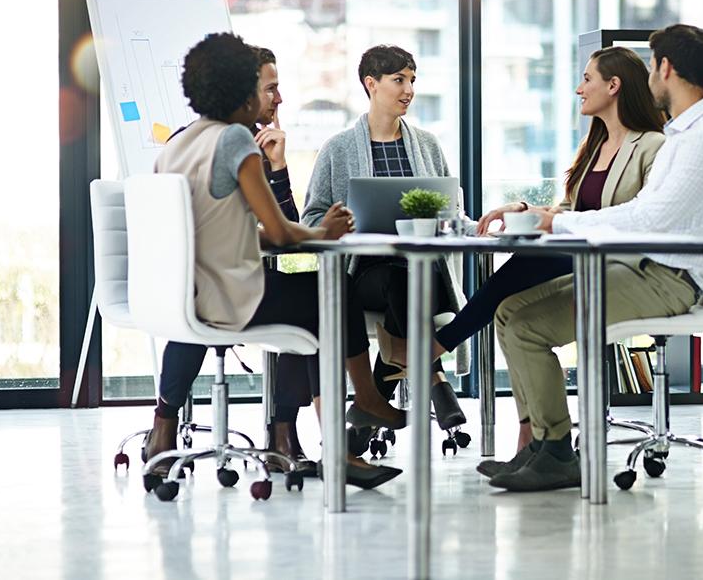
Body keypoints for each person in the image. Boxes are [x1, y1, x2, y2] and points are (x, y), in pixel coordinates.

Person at [486, 24, 703, 492]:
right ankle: (541, 447)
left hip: (667, 279)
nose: (649, 78)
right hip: (639, 267)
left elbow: (650, 218)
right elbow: (641, 211)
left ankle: (558, 453)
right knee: (507, 310)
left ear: (666, 68)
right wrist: (556, 219)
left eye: (651, 67)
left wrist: (559, 224)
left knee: (526, 327)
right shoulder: (683, 135)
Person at [377, 46, 667, 461]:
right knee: (508, 304)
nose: (579, 88)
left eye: (587, 79)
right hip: (579, 253)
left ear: (613, 86)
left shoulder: (651, 146)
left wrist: (559, 222)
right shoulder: (595, 145)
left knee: (520, 271)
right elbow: (568, 211)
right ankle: (528, 432)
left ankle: (432, 351)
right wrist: (522, 209)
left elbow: (640, 216)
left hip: (616, 263)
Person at [144, 32, 406, 490]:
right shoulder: (235, 141)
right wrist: (323, 232)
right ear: (243, 91)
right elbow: (283, 232)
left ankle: (333, 437)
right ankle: (357, 411)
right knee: (333, 293)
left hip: (185, 295)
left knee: (317, 302)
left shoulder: (178, 146)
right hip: (230, 297)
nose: (278, 99)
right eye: (269, 89)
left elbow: (231, 229)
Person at [302, 44, 467, 432]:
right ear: (371, 84)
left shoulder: (427, 145)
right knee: (400, 280)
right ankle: (434, 378)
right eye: (399, 80)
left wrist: (478, 226)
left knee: (412, 280)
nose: (408, 90)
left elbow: (452, 212)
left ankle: (369, 410)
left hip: (426, 272)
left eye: (412, 80)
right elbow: (312, 217)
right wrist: (340, 223)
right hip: (368, 275)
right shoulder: (338, 149)